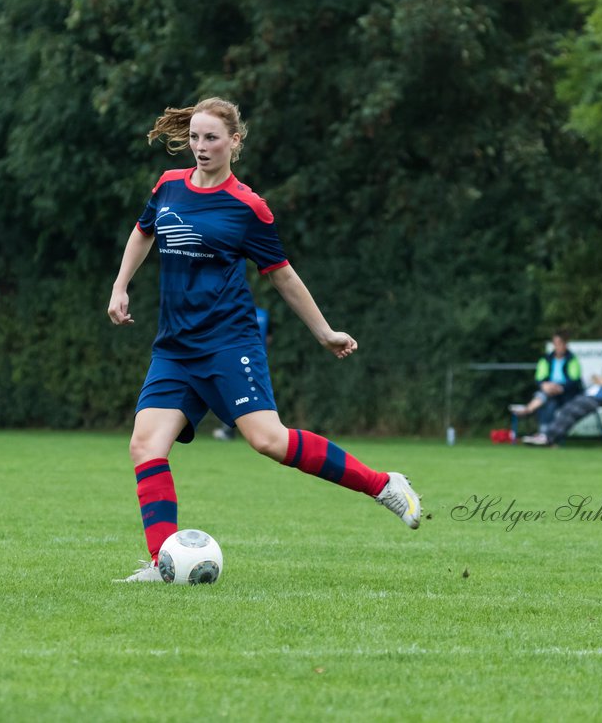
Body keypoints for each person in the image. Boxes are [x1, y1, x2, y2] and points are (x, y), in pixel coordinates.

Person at [106, 97, 421, 582]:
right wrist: (120, 285)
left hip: (228, 345)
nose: (200, 147)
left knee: (269, 441)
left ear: (235, 141)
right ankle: (161, 563)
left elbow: (283, 276)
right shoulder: (168, 186)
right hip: (174, 349)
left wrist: (324, 331)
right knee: (146, 445)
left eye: (211, 137)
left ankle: (383, 485)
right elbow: (142, 232)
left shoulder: (248, 206)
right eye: (194, 137)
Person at [521, 338, 602, 447]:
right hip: (593, 395)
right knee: (568, 408)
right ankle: (546, 435)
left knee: (574, 411)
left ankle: (550, 438)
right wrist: (598, 381)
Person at [212, 306, 271, 440]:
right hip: (259, 359)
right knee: (258, 395)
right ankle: (262, 431)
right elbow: (268, 338)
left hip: (238, 358)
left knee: (232, 394)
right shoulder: (264, 314)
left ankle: (229, 431)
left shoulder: (233, 312)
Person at [509, 332, 583, 432]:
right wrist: (545, 385)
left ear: (565, 344)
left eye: (559, 343)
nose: (557, 346)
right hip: (549, 391)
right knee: (549, 403)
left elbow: (574, 380)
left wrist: (560, 388)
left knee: (546, 399)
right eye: (555, 343)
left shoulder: (572, 360)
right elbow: (539, 378)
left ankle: (530, 409)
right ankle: (546, 434)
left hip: (567, 394)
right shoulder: (546, 359)